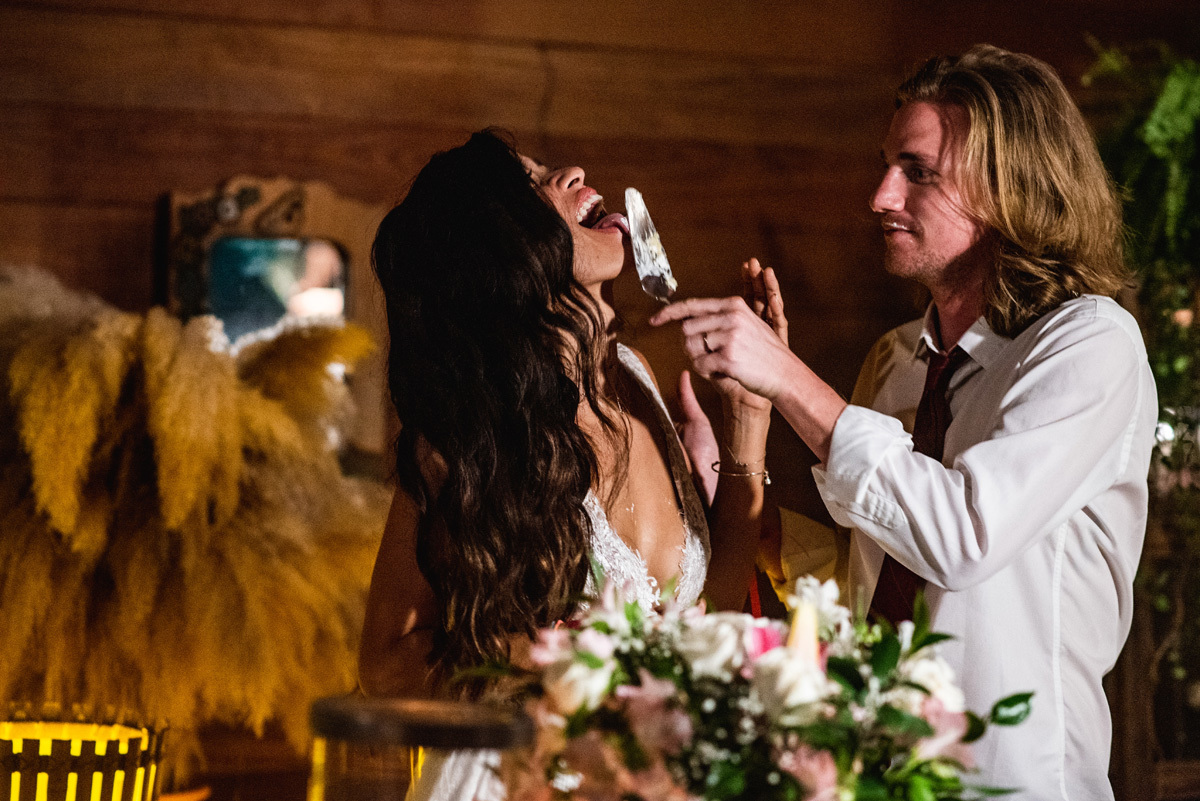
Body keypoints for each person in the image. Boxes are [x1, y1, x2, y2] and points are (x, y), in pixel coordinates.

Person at [652, 46, 1157, 799]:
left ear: (1010, 186)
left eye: (918, 172)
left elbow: (963, 537)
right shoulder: (895, 361)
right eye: (886, 165)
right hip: (874, 775)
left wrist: (789, 379)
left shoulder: (1090, 343)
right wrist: (738, 492)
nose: (880, 195)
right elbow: (875, 573)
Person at [357, 130, 781, 800]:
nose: (573, 171)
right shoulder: (471, 431)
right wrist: (540, 671)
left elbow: (714, 615)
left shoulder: (634, 378)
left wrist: (749, 419)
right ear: (496, 246)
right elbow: (385, 665)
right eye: (530, 184)